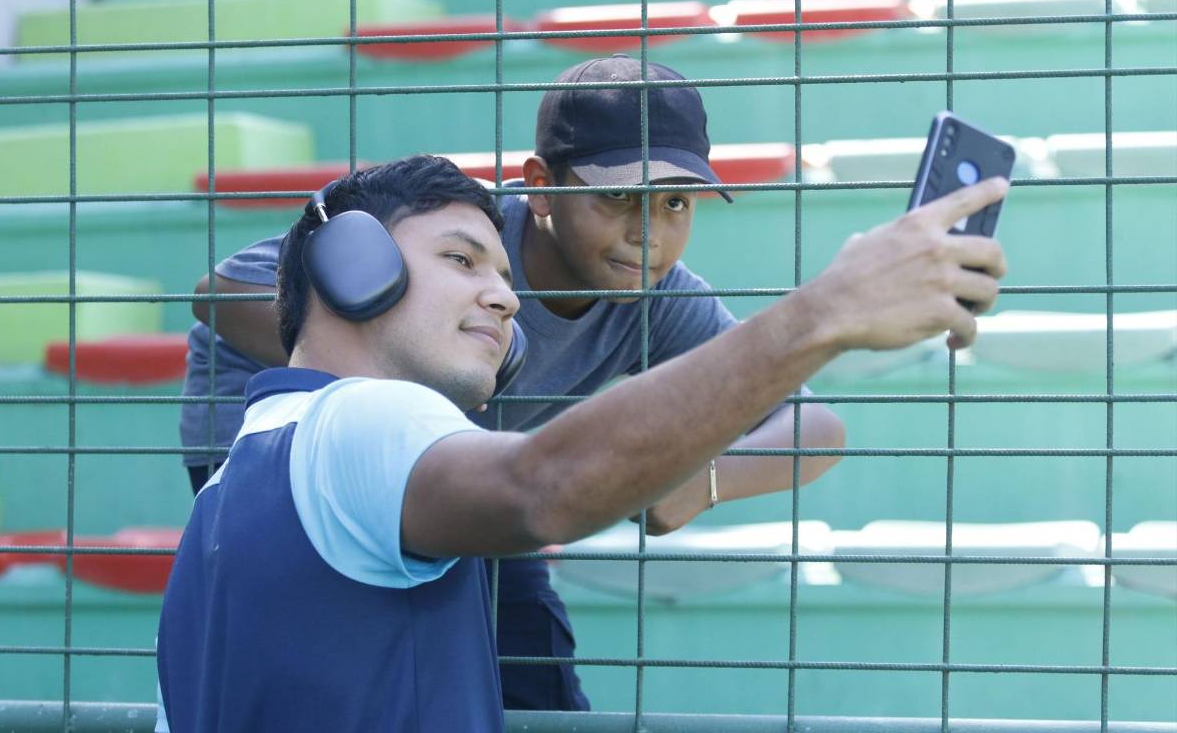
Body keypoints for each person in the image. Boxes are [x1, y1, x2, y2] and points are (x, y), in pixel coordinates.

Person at [158, 153, 1009, 732]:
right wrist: (824, 313)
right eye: (462, 260)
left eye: (501, 272)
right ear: (353, 268)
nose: (500, 298)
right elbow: (544, 488)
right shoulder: (367, 422)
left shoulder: (245, 468)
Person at [179, 55, 846, 711]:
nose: (648, 233)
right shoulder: (458, 234)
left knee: (535, 680)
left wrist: (706, 481)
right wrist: (407, 368)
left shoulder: (662, 298)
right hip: (289, 455)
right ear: (539, 183)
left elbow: (816, 427)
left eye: (676, 202)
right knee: (349, 661)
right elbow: (218, 295)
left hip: (474, 465)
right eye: (616, 194)